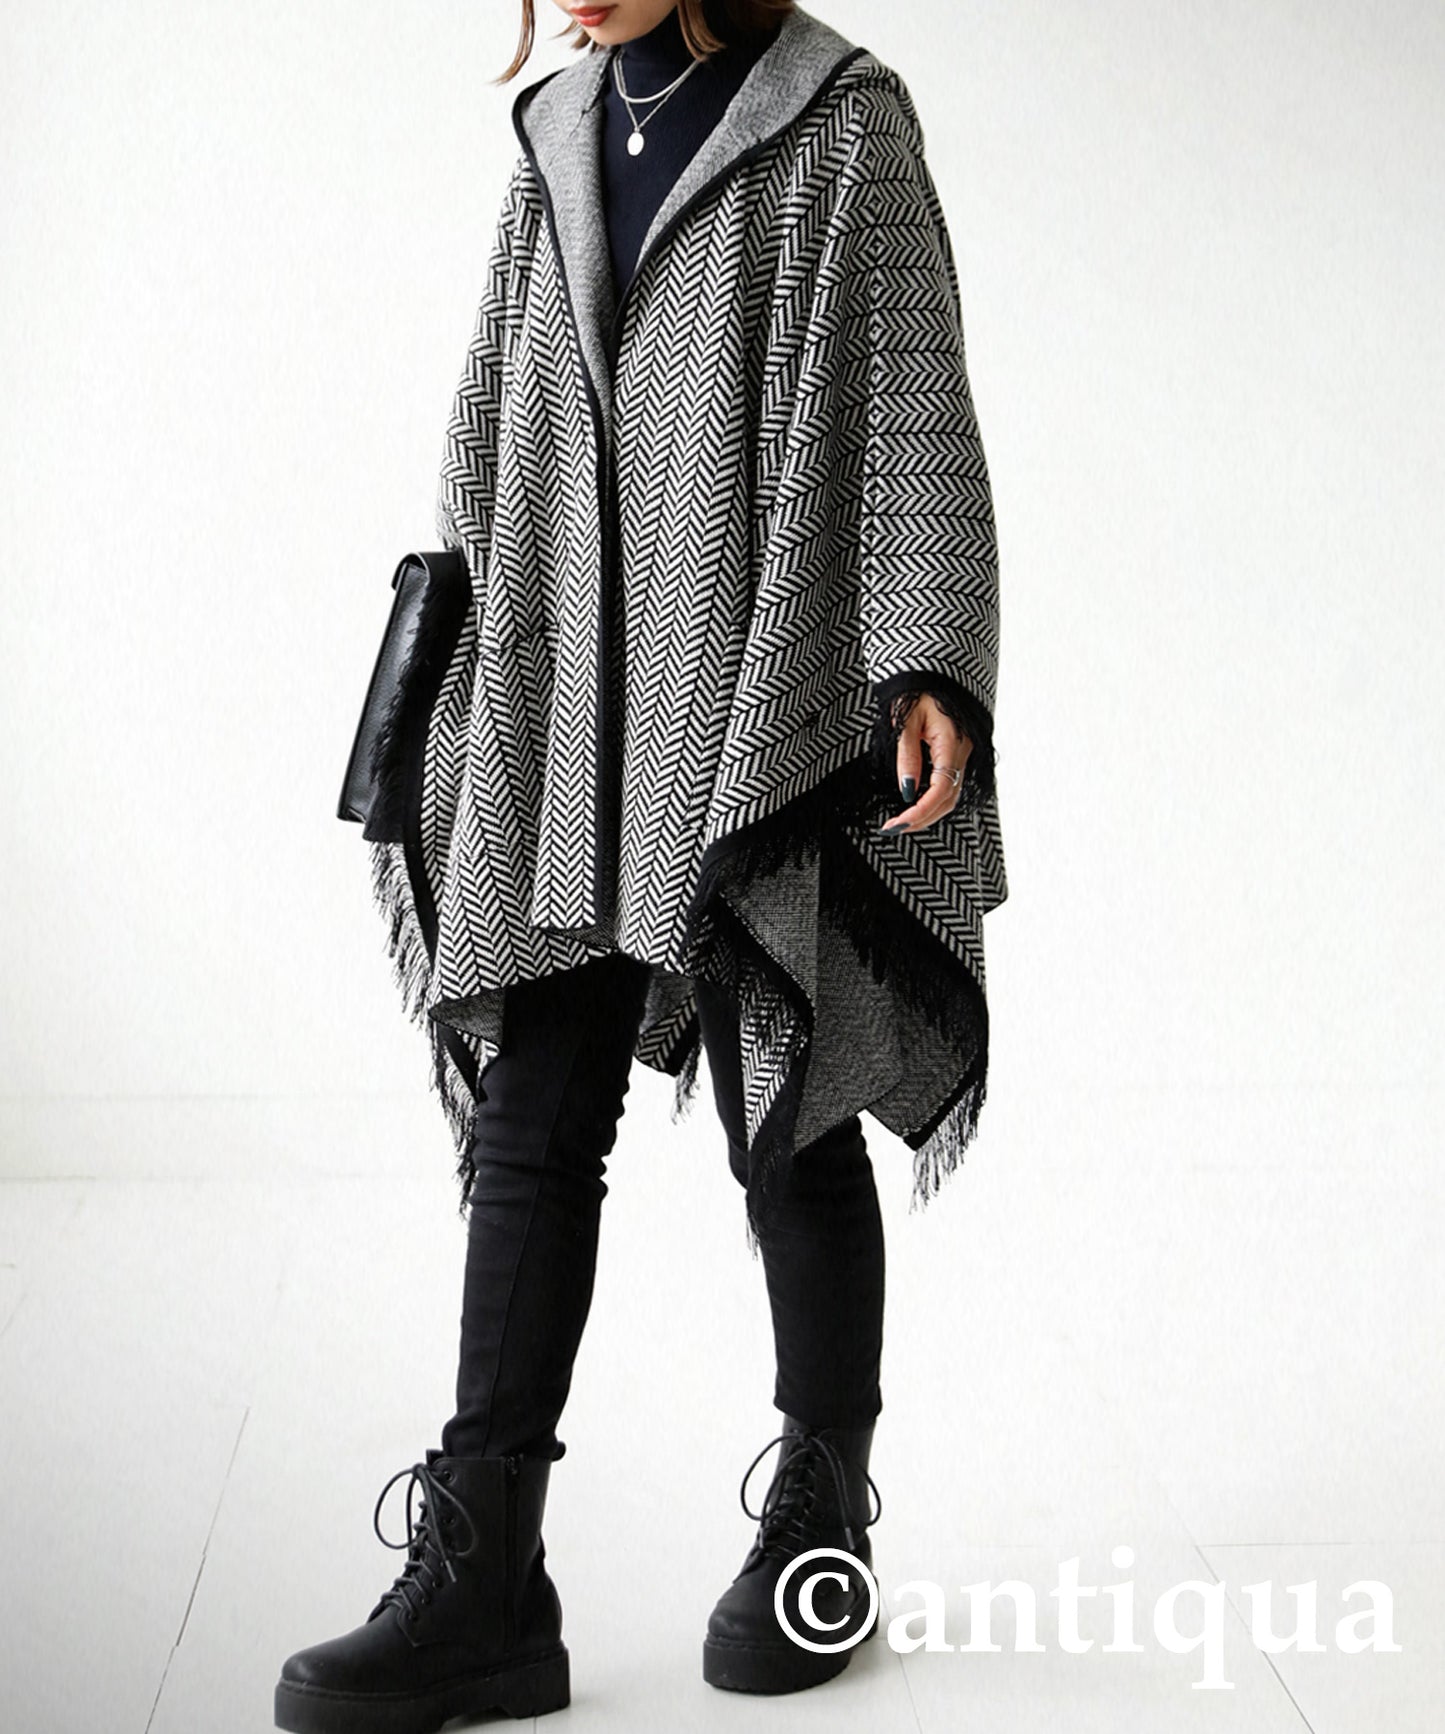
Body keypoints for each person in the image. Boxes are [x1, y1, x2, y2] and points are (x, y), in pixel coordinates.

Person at [274, 1, 1007, 1727]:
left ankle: (820, 1523)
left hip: (750, 679)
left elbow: (910, 398)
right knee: (532, 1123)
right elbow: (491, 417)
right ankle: (485, 1571)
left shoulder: (837, 117)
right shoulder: (552, 133)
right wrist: (473, 664)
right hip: (568, 702)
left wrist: (921, 659)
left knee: (784, 1110)